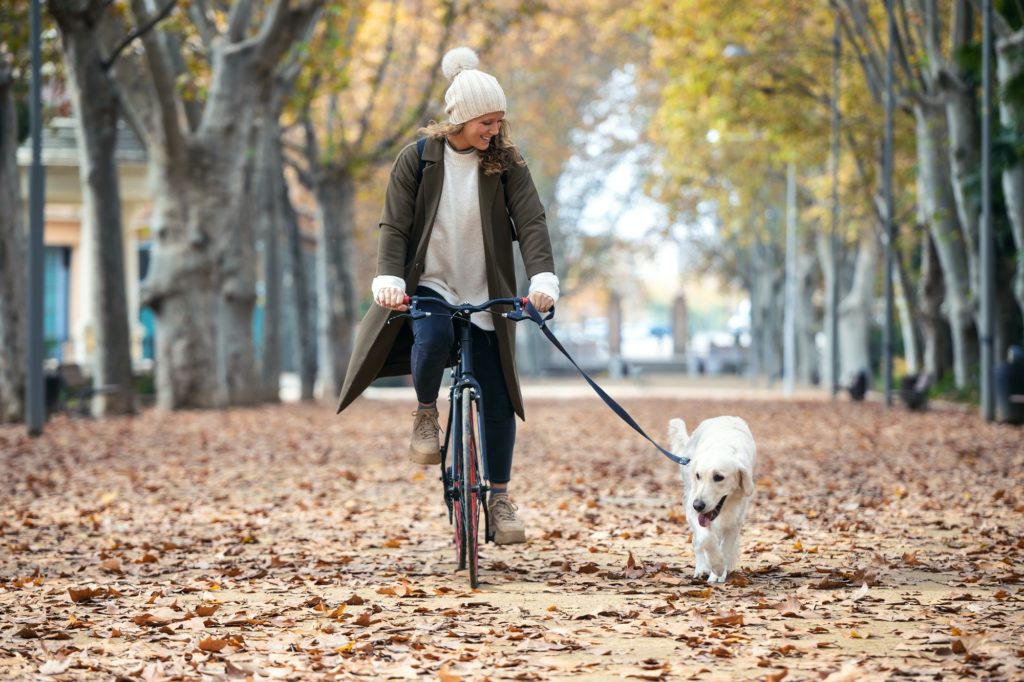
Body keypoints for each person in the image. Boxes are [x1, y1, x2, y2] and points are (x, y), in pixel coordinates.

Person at [335, 47, 559, 545]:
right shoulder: (416, 160)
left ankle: (498, 498)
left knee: (498, 396)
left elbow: (532, 222)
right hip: (432, 282)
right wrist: (387, 278)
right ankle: (425, 413)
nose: (494, 131)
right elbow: (394, 225)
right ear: (459, 118)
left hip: (489, 290)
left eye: (500, 121)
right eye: (486, 121)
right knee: (431, 335)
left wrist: (542, 279)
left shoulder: (508, 163)